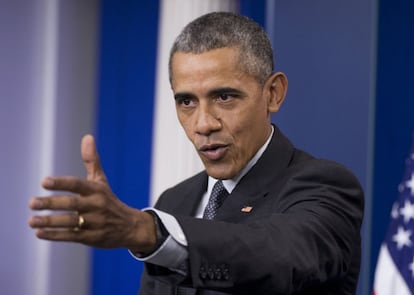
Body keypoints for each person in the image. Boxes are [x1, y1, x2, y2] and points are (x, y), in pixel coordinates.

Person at [28, 12, 364, 295]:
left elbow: (279, 256)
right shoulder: (173, 203)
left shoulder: (326, 186)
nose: (203, 124)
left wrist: (146, 231)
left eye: (225, 97)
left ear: (272, 94)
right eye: (186, 101)